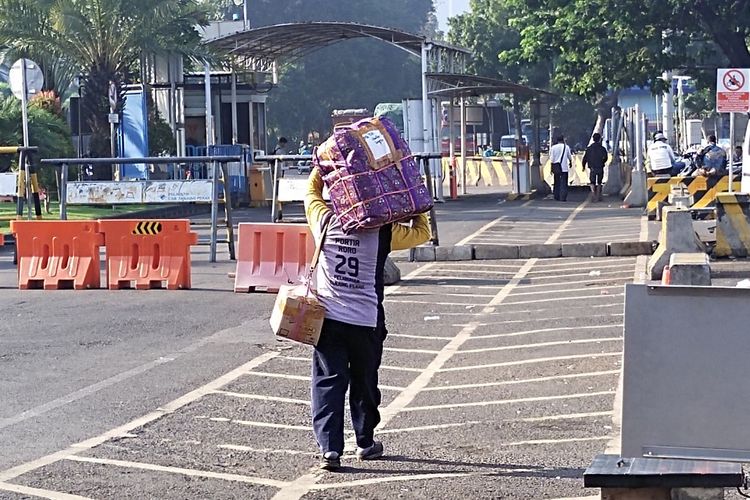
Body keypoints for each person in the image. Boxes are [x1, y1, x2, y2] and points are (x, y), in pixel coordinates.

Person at [305, 168, 430, 471]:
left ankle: (330, 449)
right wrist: (415, 192)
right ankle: (365, 442)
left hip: (328, 318)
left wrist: (325, 168)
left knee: (328, 382)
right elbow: (422, 231)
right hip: (366, 321)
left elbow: (311, 192)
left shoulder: (324, 219)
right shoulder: (385, 231)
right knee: (364, 381)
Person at [581, 133, 608, 202]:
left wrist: (583, 166)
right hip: (600, 167)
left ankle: (593, 195)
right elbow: (606, 157)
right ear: (599, 139)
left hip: (592, 167)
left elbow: (585, 158)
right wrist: (602, 162)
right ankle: (598, 195)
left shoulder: (589, 149)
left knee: (592, 182)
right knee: (599, 182)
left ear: (593, 139)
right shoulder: (602, 148)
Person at [549, 135, 571, 201]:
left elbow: (552, 159)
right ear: (563, 140)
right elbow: (569, 156)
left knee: (556, 182)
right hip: (564, 167)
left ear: (557, 140)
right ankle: (563, 197)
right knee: (564, 183)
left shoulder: (553, 147)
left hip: (556, 167)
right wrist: (570, 162)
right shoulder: (566, 147)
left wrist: (551, 168)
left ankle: (556, 196)